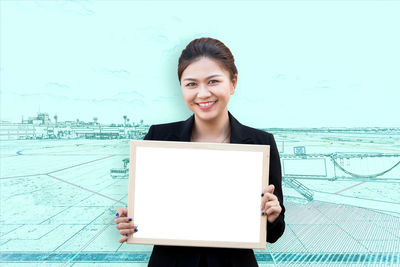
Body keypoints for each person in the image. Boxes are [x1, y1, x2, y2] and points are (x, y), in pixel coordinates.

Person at [115, 37, 285, 266]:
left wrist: (273, 215)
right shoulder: (159, 138)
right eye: (191, 84)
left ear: (233, 82)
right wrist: (130, 221)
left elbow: (273, 234)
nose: (203, 93)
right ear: (181, 88)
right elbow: (147, 213)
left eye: (213, 81)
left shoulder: (260, 144)